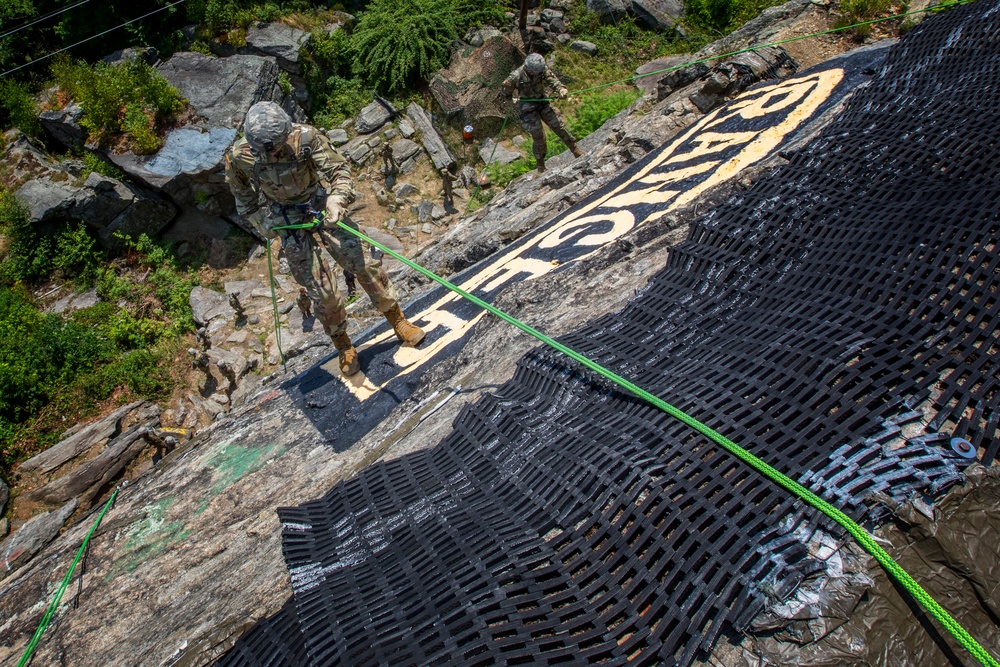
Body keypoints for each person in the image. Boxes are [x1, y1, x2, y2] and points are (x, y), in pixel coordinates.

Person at [224, 102, 425, 376]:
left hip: (318, 203)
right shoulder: (240, 155)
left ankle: (398, 321)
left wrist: (337, 198)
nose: (273, 153)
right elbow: (241, 193)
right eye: (267, 150)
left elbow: (339, 171)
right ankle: (343, 345)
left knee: (364, 263)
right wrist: (260, 220)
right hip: (286, 217)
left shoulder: (306, 137)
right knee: (322, 291)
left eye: (278, 146)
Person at [502, 53, 582, 174]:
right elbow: (504, 94)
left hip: (542, 101)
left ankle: (575, 151)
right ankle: (541, 167)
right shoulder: (515, 77)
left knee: (559, 126)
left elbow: (552, 80)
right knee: (539, 138)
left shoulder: (541, 68)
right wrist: (511, 100)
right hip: (528, 109)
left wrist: (561, 89)